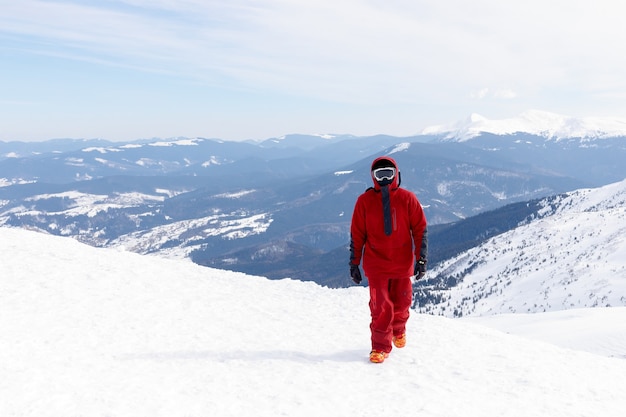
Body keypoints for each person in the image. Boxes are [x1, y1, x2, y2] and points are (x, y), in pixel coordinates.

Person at [349, 156, 428, 363]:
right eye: (379, 175)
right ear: (373, 177)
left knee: (402, 302)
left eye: (388, 174)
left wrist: (421, 259)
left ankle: (398, 329)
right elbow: (357, 234)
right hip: (376, 265)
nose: (384, 179)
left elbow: (420, 230)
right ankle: (380, 347)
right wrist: (354, 262)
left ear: (396, 175)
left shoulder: (407, 199)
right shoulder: (364, 202)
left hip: (402, 264)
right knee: (380, 307)